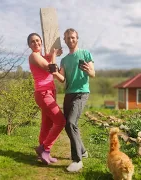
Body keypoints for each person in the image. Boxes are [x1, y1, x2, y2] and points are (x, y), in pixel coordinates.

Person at [59, 28, 95, 172]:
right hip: (69, 94)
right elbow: (62, 78)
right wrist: (55, 71)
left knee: (71, 123)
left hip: (81, 93)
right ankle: (83, 151)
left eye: (73, 37)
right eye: (68, 38)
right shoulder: (64, 60)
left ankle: (77, 159)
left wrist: (88, 70)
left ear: (77, 38)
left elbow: (93, 73)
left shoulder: (85, 53)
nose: (70, 40)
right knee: (67, 124)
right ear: (65, 40)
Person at [27, 33, 66, 165]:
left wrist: (55, 52)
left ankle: (42, 153)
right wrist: (54, 55)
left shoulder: (42, 56)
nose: (36, 43)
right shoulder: (33, 56)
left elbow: (49, 58)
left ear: (41, 42)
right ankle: (45, 148)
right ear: (29, 45)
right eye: (32, 42)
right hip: (43, 93)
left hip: (50, 92)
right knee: (60, 121)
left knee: (47, 123)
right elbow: (51, 68)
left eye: (38, 40)